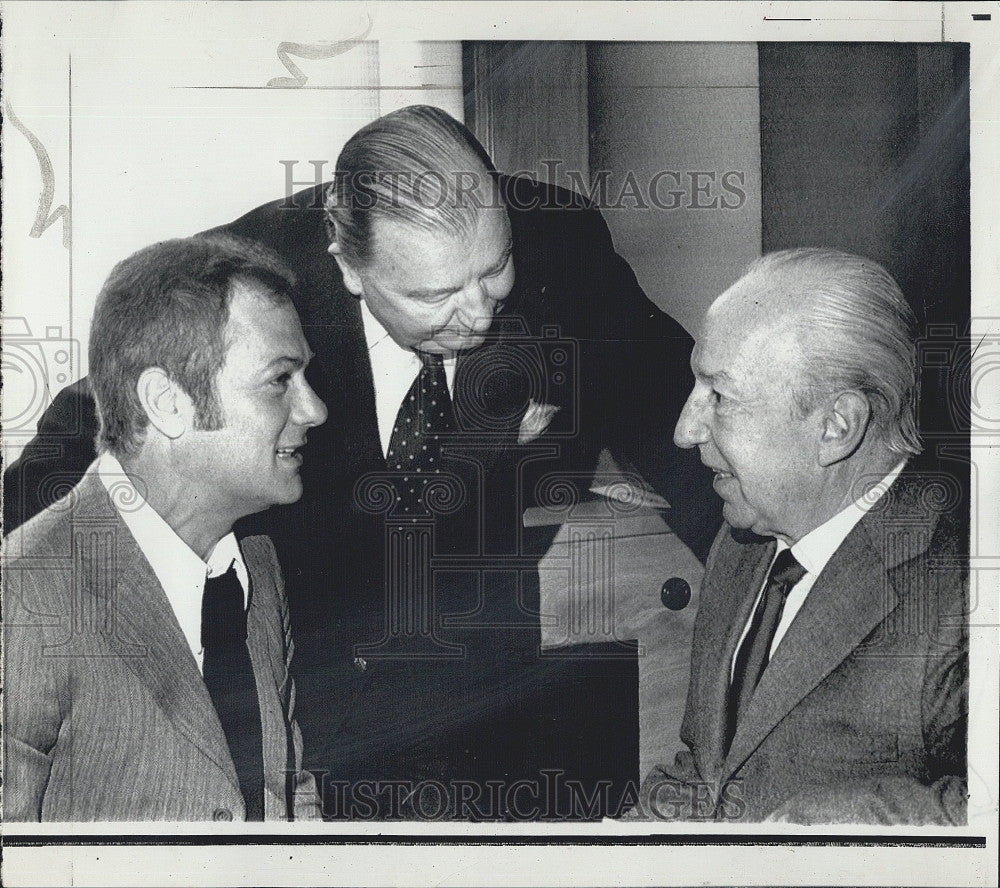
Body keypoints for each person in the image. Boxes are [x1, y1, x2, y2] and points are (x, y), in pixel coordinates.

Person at [3, 106, 719, 819]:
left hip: (481, 670)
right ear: (349, 268)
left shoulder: (563, 251)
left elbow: (693, 428)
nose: (479, 313)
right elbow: (90, 426)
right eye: (434, 295)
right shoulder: (259, 282)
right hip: (310, 683)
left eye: (494, 269)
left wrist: (774, 591)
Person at [633, 248, 967, 824]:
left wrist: (813, 840)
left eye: (720, 397)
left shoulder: (959, 597)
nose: (684, 431)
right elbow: (709, 769)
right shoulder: (744, 542)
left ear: (837, 426)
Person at [3, 236, 327, 821]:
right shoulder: (24, 596)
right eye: (281, 380)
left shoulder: (257, 563)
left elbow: (287, 792)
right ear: (167, 403)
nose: (314, 410)